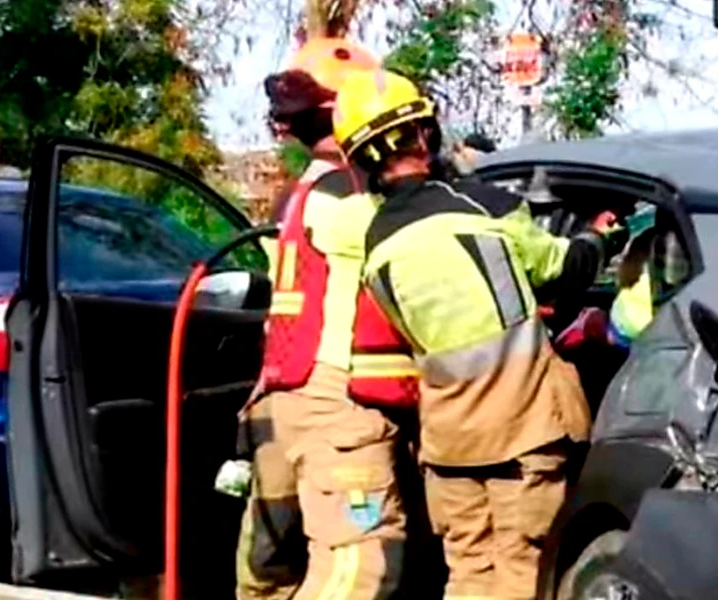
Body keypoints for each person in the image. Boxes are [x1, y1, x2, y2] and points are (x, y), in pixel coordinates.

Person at [331, 69, 624, 600]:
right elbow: (563, 270)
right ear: (424, 134)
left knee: (468, 575)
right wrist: (598, 235)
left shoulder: (375, 245)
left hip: (448, 445)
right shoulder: (483, 206)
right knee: (521, 572)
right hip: (522, 434)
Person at [236, 38, 421, 600]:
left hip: (281, 401)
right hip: (339, 408)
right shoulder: (355, 198)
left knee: (268, 565)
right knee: (357, 569)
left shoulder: (295, 195)